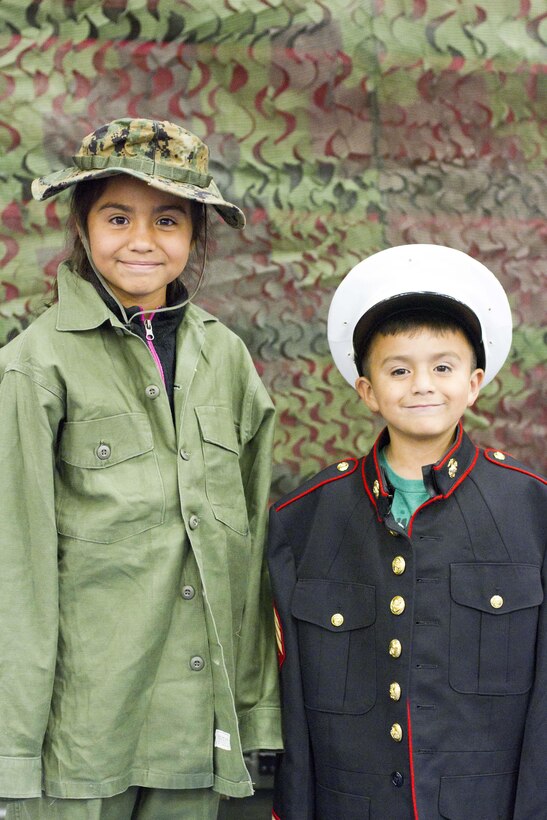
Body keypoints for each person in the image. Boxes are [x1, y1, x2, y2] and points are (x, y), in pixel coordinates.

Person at [0, 118, 282, 819]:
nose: (141, 241)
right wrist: (13, 752)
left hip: (197, 732)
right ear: (81, 224)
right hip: (81, 738)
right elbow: (18, 571)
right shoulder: (36, 366)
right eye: (117, 217)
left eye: (167, 220)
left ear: (195, 236)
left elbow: (248, 560)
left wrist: (255, 716)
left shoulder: (228, 362)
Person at [267, 244, 546, 819]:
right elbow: (294, 709)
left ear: (474, 382)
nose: (422, 385)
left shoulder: (531, 511)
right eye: (399, 369)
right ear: (366, 389)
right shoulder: (306, 519)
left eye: (442, 367)